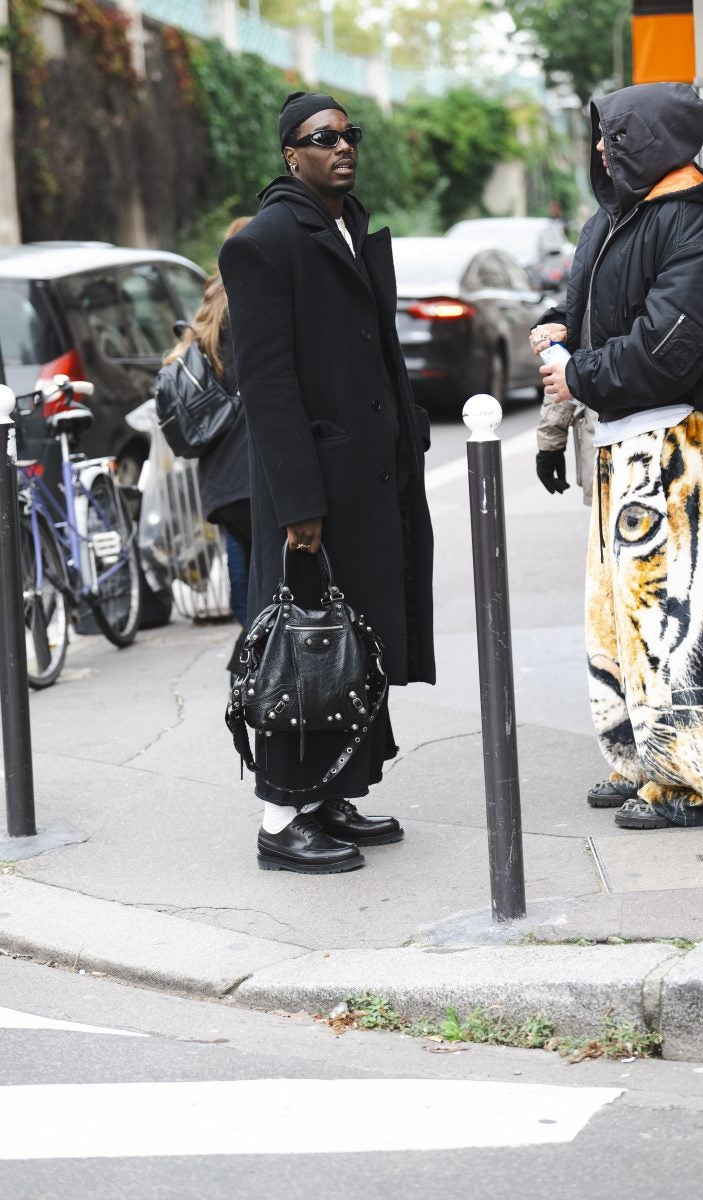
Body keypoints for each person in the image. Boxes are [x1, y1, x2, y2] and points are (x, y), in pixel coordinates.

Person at [530, 81, 703, 830]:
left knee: (678, 617)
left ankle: (695, 781)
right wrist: (556, 331)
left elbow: (668, 349)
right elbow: (594, 309)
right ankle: (642, 763)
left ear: (649, 139)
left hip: (677, 443)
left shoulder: (697, 225)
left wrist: (577, 372)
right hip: (625, 438)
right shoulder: (626, 213)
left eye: (613, 134)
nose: (601, 148)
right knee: (621, 616)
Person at [219, 91, 435, 874]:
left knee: (355, 639)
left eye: (349, 134)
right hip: (311, 489)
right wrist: (300, 506)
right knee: (300, 647)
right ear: (290, 155)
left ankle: (331, 793)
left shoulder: (344, 224)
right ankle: (281, 820)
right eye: (321, 138)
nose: (341, 147)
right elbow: (267, 386)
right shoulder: (266, 241)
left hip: (366, 480)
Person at [163, 217, 253, 674]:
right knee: (280, 581)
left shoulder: (206, 321)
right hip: (259, 473)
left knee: (243, 577)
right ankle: (269, 665)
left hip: (220, 481)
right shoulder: (257, 304)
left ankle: (252, 662)